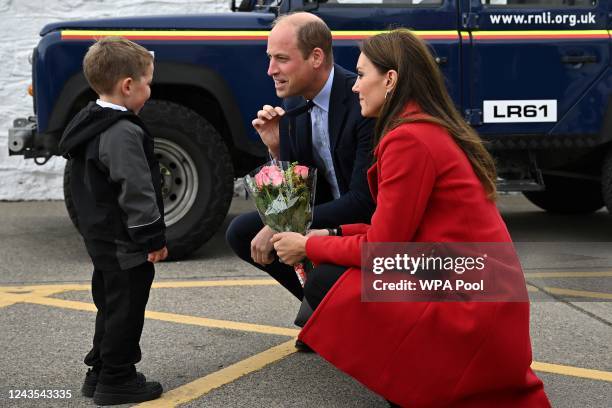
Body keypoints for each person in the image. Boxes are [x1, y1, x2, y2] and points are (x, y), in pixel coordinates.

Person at [271, 29, 551, 407]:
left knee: (327, 281)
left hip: (470, 301)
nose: (355, 87)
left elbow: (384, 250)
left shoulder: (409, 139)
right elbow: (398, 232)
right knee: (337, 273)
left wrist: (309, 244)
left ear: (390, 80)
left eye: (362, 75)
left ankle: (415, 388)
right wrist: (333, 232)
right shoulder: (424, 128)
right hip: (479, 289)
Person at [226, 13, 374, 318]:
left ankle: (336, 311)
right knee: (241, 232)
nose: (270, 70)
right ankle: (323, 311)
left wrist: (282, 226)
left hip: (367, 221)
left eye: (281, 58)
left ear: (316, 57)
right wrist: (276, 149)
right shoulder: (294, 100)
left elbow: (363, 201)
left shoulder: (360, 99)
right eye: (270, 58)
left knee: (273, 232)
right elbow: (298, 188)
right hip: (326, 210)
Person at [58, 37, 167, 406]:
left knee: (110, 304)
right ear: (127, 85)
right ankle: (118, 379)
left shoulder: (89, 122)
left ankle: (100, 371)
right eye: (148, 82)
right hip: (124, 243)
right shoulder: (121, 132)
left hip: (102, 239)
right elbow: (136, 191)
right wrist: (152, 238)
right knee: (126, 308)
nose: (150, 90)